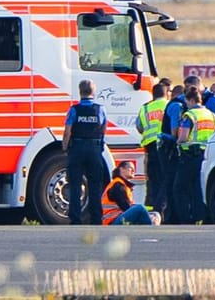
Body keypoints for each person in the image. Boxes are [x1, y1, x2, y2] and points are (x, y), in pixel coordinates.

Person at [62, 79, 108, 225]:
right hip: (94, 149)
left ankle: (75, 219)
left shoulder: (74, 110)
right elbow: (103, 129)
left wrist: (64, 147)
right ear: (93, 92)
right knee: (95, 184)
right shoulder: (100, 109)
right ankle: (96, 218)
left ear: (80, 91)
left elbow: (67, 131)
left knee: (75, 184)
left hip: (77, 148)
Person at [173, 84, 215, 224]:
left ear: (191, 100)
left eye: (187, 101)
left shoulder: (189, 116)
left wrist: (177, 143)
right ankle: (201, 216)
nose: (186, 104)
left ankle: (185, 218)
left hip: (190, 156)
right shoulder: (211, 115)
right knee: (199, 188)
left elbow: (183, 137)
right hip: (206, 155)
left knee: (179, 188)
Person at [137, 81, 170, 211]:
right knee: (165, 179)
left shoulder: (145, 108)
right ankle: (161, 210)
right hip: (164, 146)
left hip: (150, 148)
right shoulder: (168, 106)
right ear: (166, 93)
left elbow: (139, 127)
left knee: (152, 180)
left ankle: (151, 212)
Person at [158, 82, 188, 221]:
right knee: (169, 182)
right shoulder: (177, 106)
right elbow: (174, 131)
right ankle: (164, 214)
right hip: (168, 148)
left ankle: (168, 214)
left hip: (166, 147)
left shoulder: (177, 104)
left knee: (168, 182)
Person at [102, 160, 157, 225]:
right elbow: (125, 207)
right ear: (122, 169)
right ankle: (150, 230)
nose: (133, 171)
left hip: (120, 217)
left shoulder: (124, 185)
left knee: (156, 214)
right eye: (130, 168)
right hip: (112, 221)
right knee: (140, 208)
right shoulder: (117, 185)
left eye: (134, 169)